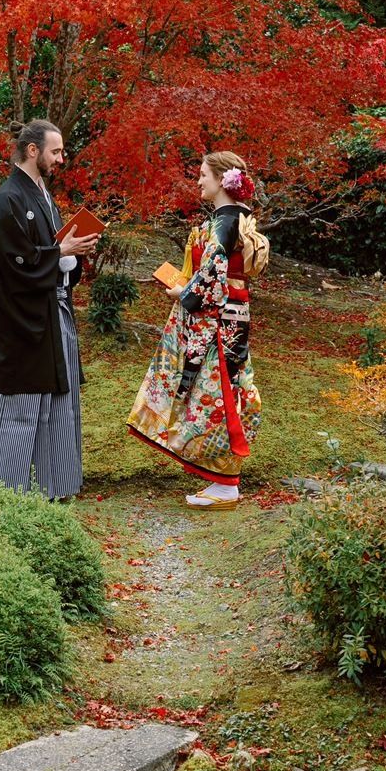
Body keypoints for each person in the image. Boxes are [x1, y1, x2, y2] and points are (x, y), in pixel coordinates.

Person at [126, 151, 262, 510]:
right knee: (220, 391)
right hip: (231, 314)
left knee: (219, 394)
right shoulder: (234, 218)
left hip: (219, 319)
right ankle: (221, 479)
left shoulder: (225, 220)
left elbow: (213, 275)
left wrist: (181, 292)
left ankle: (226, 483)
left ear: (221, 180)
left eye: (203, 175)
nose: (199, 181)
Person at [0, 120, 99, 499]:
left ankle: (57, 487)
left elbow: (49, 251)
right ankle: (5, 492)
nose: (61, 158)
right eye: (56, 151)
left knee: (59, 404)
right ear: (32, 151)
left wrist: (72, 252)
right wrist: (59, 252)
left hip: (54, 312)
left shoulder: (43, 195)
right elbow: (15, 263)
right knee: (19, 408)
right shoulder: (8, 199)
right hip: (22, 321)